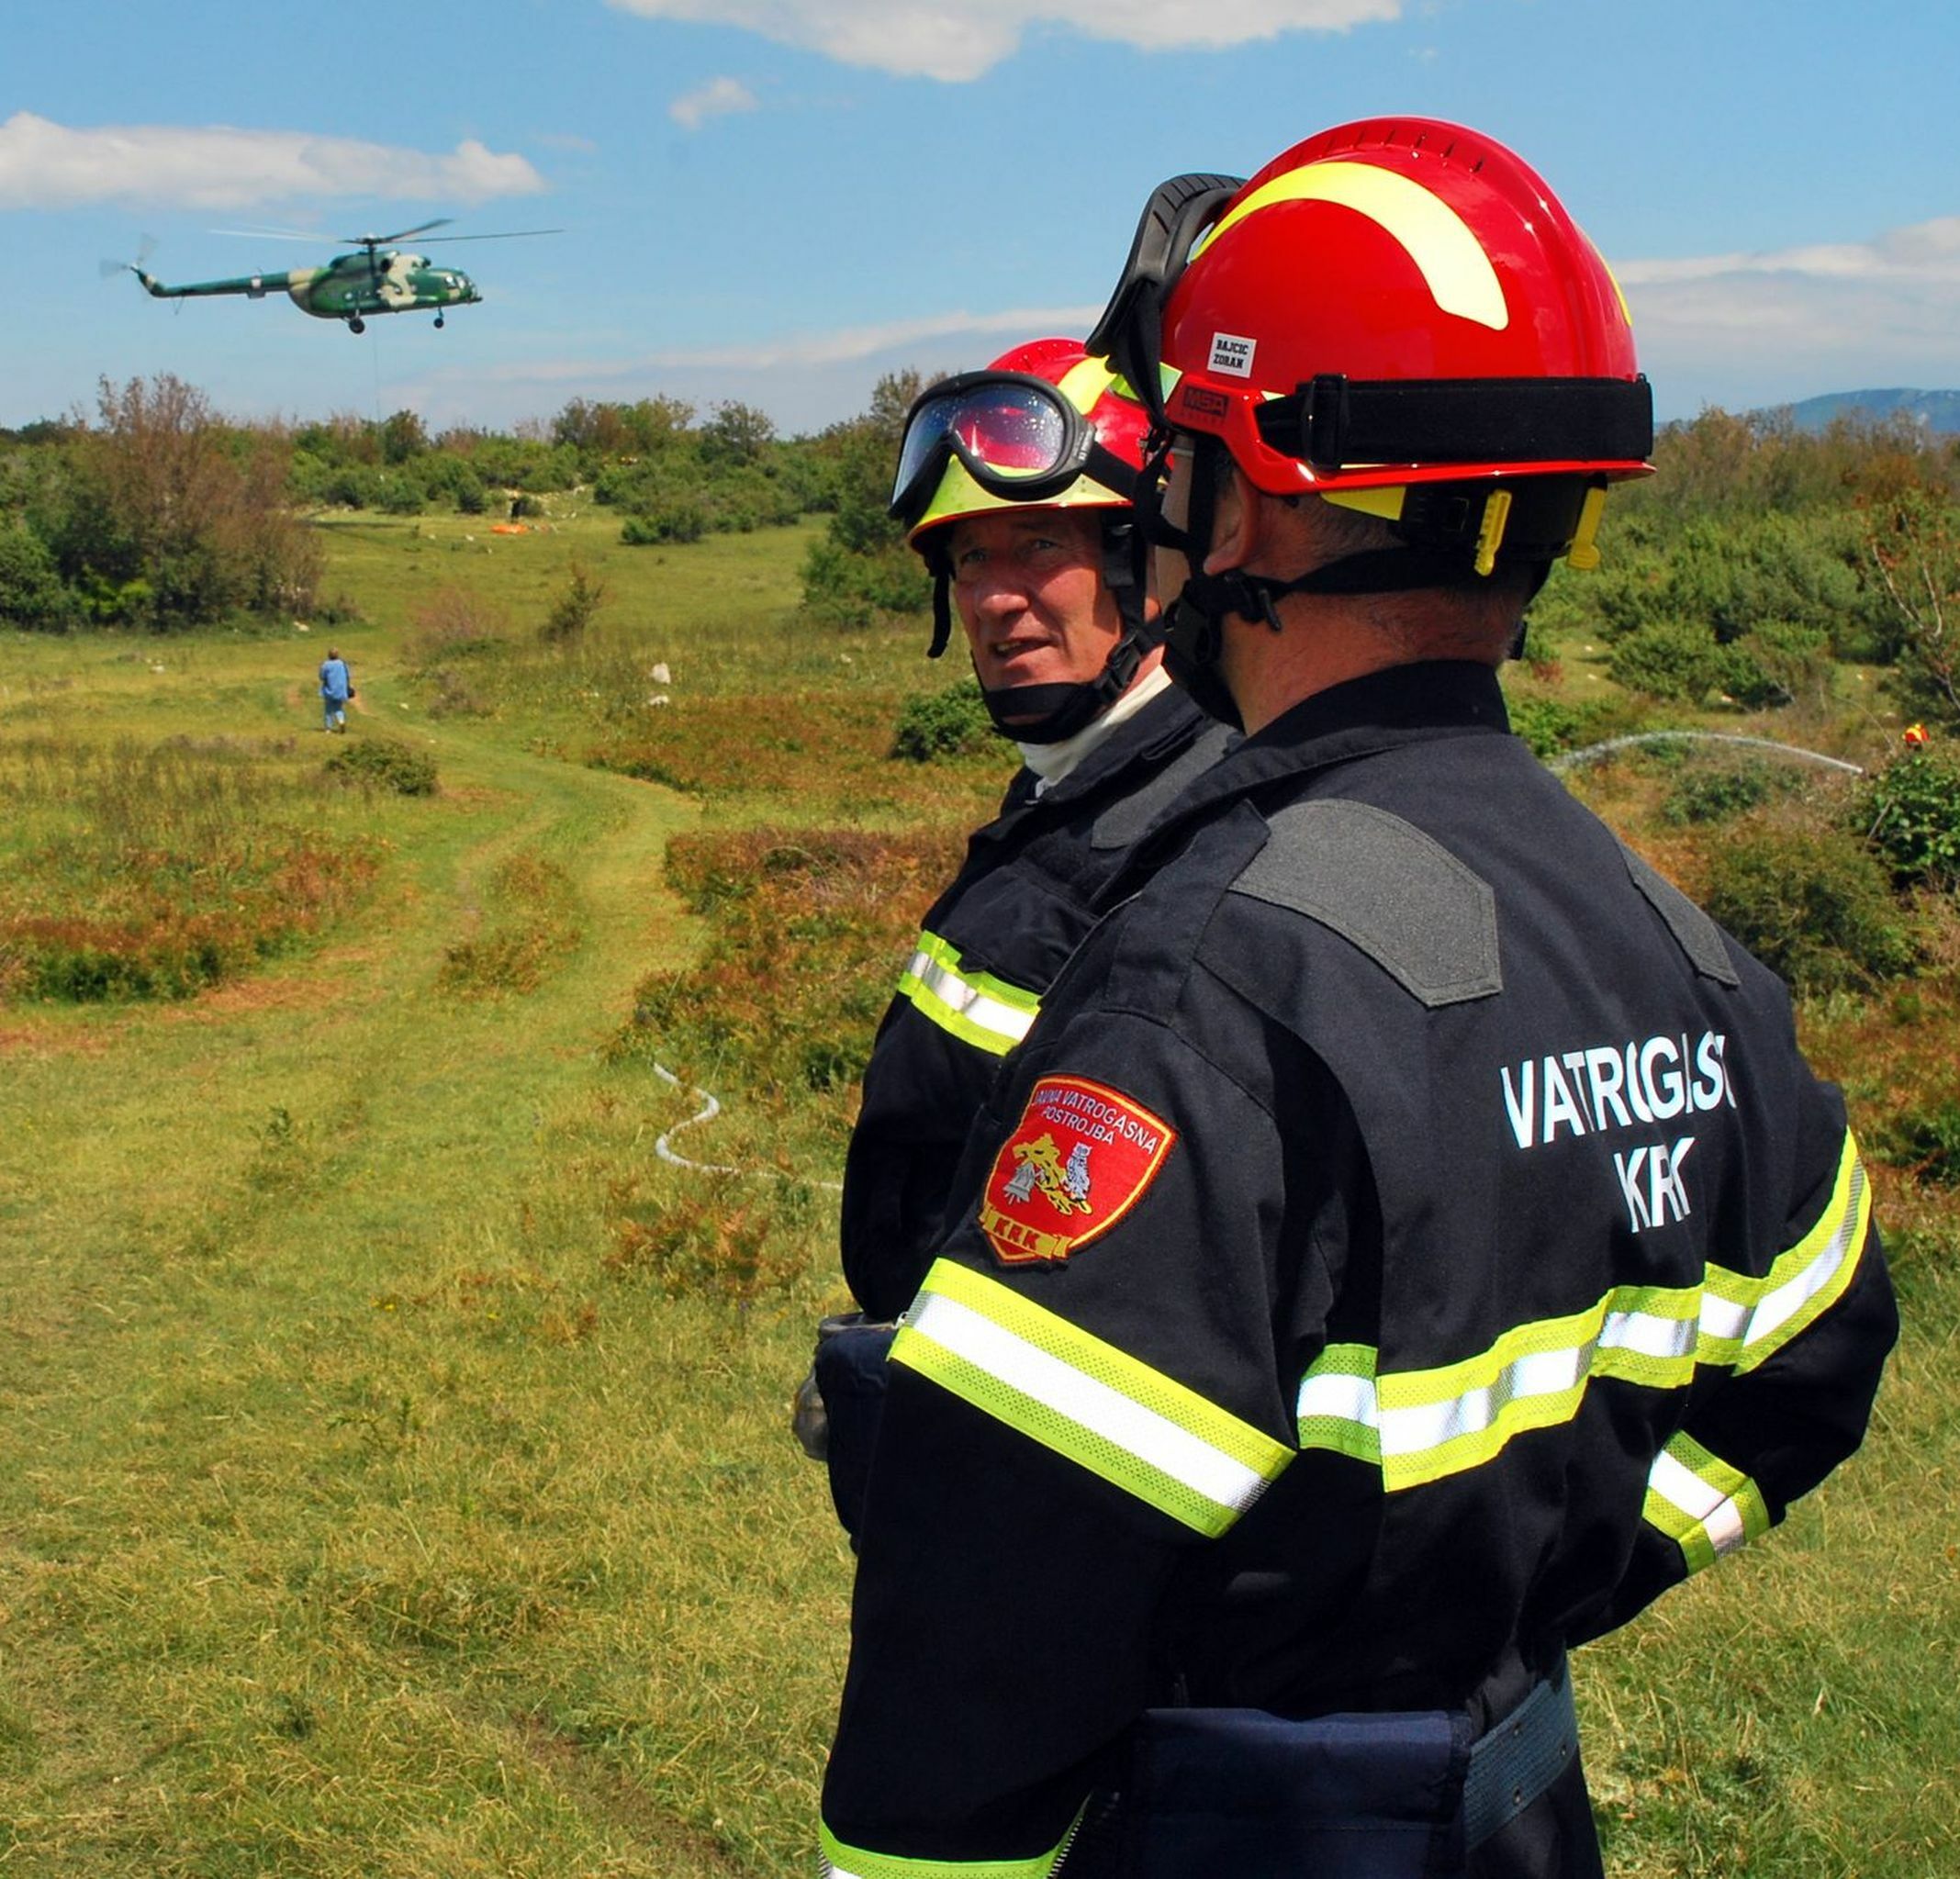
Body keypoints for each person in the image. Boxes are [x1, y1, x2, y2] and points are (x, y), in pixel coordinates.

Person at [818, 120, 1898, 1878]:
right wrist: (1544, 1585)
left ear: (1225, 505)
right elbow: (1820, 1350)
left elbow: (997, 1593)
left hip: (1225, 1828)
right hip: (1514, 1810)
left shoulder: (1218, 978)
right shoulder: (1670, 938)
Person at [800, 339, 1230, 1532]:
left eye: (1040, 545)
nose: (995, 597)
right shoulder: (1064, 791)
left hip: (1068, 1500)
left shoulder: (1187, 834)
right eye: (969, 559)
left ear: (1143, 566)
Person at [319, 648, 353, 733]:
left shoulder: (326, 665)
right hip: (341, 690)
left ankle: (328, 728)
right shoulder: (343, 664)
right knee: (338, 708)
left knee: (328, 709)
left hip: (329, 690)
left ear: (329, 655)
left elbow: (322, 677)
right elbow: (348, 675)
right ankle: (341, 721)